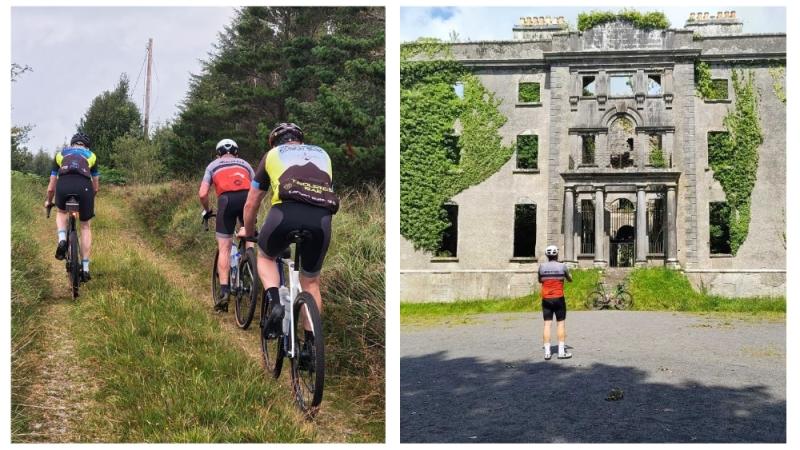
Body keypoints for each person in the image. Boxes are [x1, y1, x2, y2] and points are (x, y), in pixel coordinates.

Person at [238, 122, 339, 343]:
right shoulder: (323, 153)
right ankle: (311, 347)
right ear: (300, 140)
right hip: (321, 219)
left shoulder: (273, 154)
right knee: (311, 283)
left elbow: (251, 203)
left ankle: (275, 303)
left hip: (285, 213)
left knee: (265, 257)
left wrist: (250, 231)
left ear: (275, 141)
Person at [198, 138, 255, 311]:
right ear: (236, 152)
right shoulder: (245, 164)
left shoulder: (213, 165)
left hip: (226, 201)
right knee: (249, 234)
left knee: (224, 248)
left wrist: (207, 210)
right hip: (247, 199)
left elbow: (202, 194)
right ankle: (251, 269)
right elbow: (257, 188)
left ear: (218, 153)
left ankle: (224, 292)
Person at [44, 132, 99, 282]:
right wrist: (88, 201)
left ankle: (62, 239)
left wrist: (49, 201)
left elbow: (51, 187)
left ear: (72, 143)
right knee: (86, 226)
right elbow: (95, 187)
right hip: (84, 187)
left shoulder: (60, 155)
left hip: (64, 185)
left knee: (61, 212)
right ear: (86, 146)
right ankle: (85, 269)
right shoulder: (92, 156)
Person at [538, 245, 572, 360]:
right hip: (559, 298)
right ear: (557, 254)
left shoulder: (541, 267)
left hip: (546, 299)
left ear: (547, 255)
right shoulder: (562, 266)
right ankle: (561, 352)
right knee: (560, 324)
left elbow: (540, 280)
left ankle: (547, 352)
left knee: (547, 324)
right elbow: (569, 279)